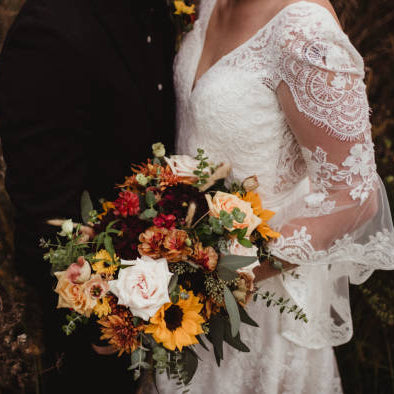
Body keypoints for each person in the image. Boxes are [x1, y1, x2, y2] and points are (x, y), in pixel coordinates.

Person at [153, 0, 394, 392]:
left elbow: (355, 196)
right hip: (182, 289)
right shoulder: (211, 4)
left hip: (261, 305)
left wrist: (232, 274)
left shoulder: (304, 31)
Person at [0, 0, 175, 392]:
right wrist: (101, 316)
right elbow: (44, 207)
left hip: (164, 298)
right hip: (96, 322)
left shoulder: (153, 12)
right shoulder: (48, 31)